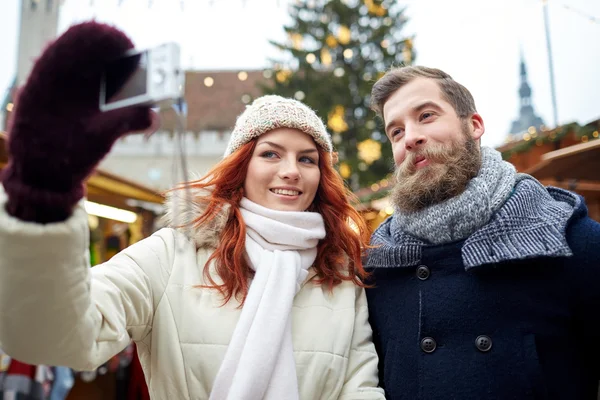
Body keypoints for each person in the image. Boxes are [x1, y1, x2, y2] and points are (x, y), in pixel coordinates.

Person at [0, 22, 385, 400]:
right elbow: (54, 337)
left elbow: (360, 387)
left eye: (307, 159)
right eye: (270, 153)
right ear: (241, 167)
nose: (290, 171)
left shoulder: (339, 272)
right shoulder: (173, 253)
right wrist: (42, 197)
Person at [364, 65, 600, 400]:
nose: (411, 137)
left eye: (427, 115)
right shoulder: (377, 266)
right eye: (396, 132)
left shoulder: (569, 240)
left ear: (474, 126)